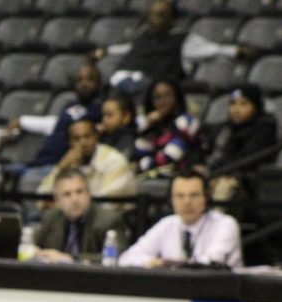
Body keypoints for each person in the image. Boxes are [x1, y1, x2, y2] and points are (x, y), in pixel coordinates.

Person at [91, 0, 257, 94]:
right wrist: (105, 51)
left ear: (172, 19)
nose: (155, 20)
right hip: (121, 89)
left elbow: (213, 50)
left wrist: (237, 51)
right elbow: (128, 49)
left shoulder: (184, 41)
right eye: (153, 15)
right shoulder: (143, 38)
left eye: (162, 15)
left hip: (152, 93)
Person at [118, 171, 241, 268]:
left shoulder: (225, 224)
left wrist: (165, 264)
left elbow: (211, 263)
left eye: (194, 195)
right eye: (180, 196)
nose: (187, 202)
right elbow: (126, 259)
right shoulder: (167, 224)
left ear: (206, 198)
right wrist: (154, 262)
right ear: (171, 200)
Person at [7, 62, 104, 169]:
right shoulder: (70, 105)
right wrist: (22, 121)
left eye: (89, 79)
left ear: (99, 83)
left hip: (60, 167)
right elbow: (55, 124)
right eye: (79, 80)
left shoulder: (100, 110)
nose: (83, 84)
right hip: (40, 162)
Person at [35, 168, 129, 264]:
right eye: (67, 194)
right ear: (57, 200)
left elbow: (118, 257)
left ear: (88, 194)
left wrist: (71, 259)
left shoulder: (108, 220)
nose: (75, 199)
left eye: (79, 192)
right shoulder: (51, 217)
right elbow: (32, 246)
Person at [204, 84, 279, 202]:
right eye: (233, 103)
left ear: (256, 106)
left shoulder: (264, 128)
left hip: (246, 182)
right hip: (216, 173)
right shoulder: (225, 128)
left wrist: (216, 171)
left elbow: (247, 160)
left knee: (224, 186)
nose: (236, 109)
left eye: (244, 104)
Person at [37, 119, 137, 197]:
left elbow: (105, 204)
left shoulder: (114, 160)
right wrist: (61, 167)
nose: (83, 143)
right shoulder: (69, 162)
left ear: (96, 137)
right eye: (76, 139)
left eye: (87, 136)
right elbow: (42, 197)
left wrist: (61, 203)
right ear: (70, 143)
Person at [134, 78, 200, 175]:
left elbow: (172, 156)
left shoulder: (187, 121)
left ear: (177, 97)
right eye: (157, 97)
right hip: (155, 175)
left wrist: (148, 163)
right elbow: (139, 152)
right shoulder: (153, 125)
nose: (163, 101)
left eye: (167, 95)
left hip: (184, 174)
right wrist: (148, 126)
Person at [98, 94, 137, 160]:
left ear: (125, 116)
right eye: (103, 115)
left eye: (109, 115)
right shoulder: (102, 136)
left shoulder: (129, 138)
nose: (104, 119)